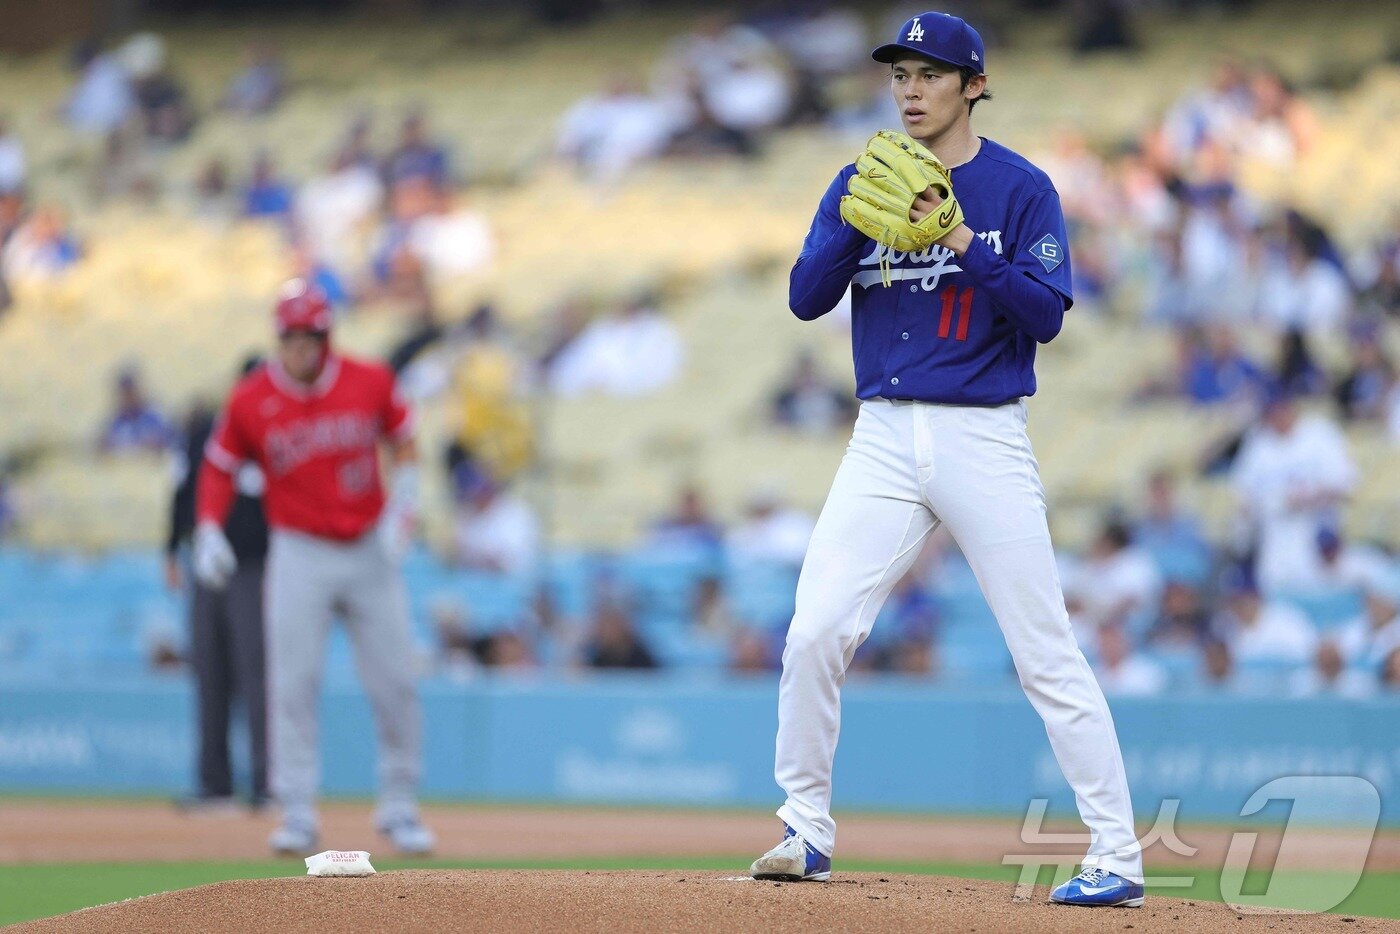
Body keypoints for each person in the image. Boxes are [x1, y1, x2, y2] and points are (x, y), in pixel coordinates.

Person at [749, 13, 1143, 907]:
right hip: (883, 433)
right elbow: (807, 299)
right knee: (815, 630)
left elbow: (1045, 314)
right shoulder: (864, 180)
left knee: (1044, 649)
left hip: (982, 430)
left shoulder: (1017, 188)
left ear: (973, 84)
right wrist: (856, 221)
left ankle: (1118, 853)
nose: (911, 89)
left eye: (930, 74)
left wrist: (960, 239)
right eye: (900, 75)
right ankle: (803, 827)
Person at [193, 280, 433, 856]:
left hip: (368, 545)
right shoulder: (251, 398)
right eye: (291, 337)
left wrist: (406, 499)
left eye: (310, 337)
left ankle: (399, 803)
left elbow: (404, 438)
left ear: (328, 337)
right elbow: (218, 466)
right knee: (292, 681)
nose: (300, 349)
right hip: (298, 548)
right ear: (278, 338)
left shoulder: (369, 380)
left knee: (395, 679)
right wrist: (207, 526)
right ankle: (296, 808)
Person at [168, 366, 269, 811]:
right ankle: (216, 785)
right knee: (209, 674)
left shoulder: (279, 433)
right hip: (208, 569)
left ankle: (270, 785)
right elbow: (182, 491)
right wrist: (171, 547)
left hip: (256, 567)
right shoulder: (209, 431)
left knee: (257, 676)